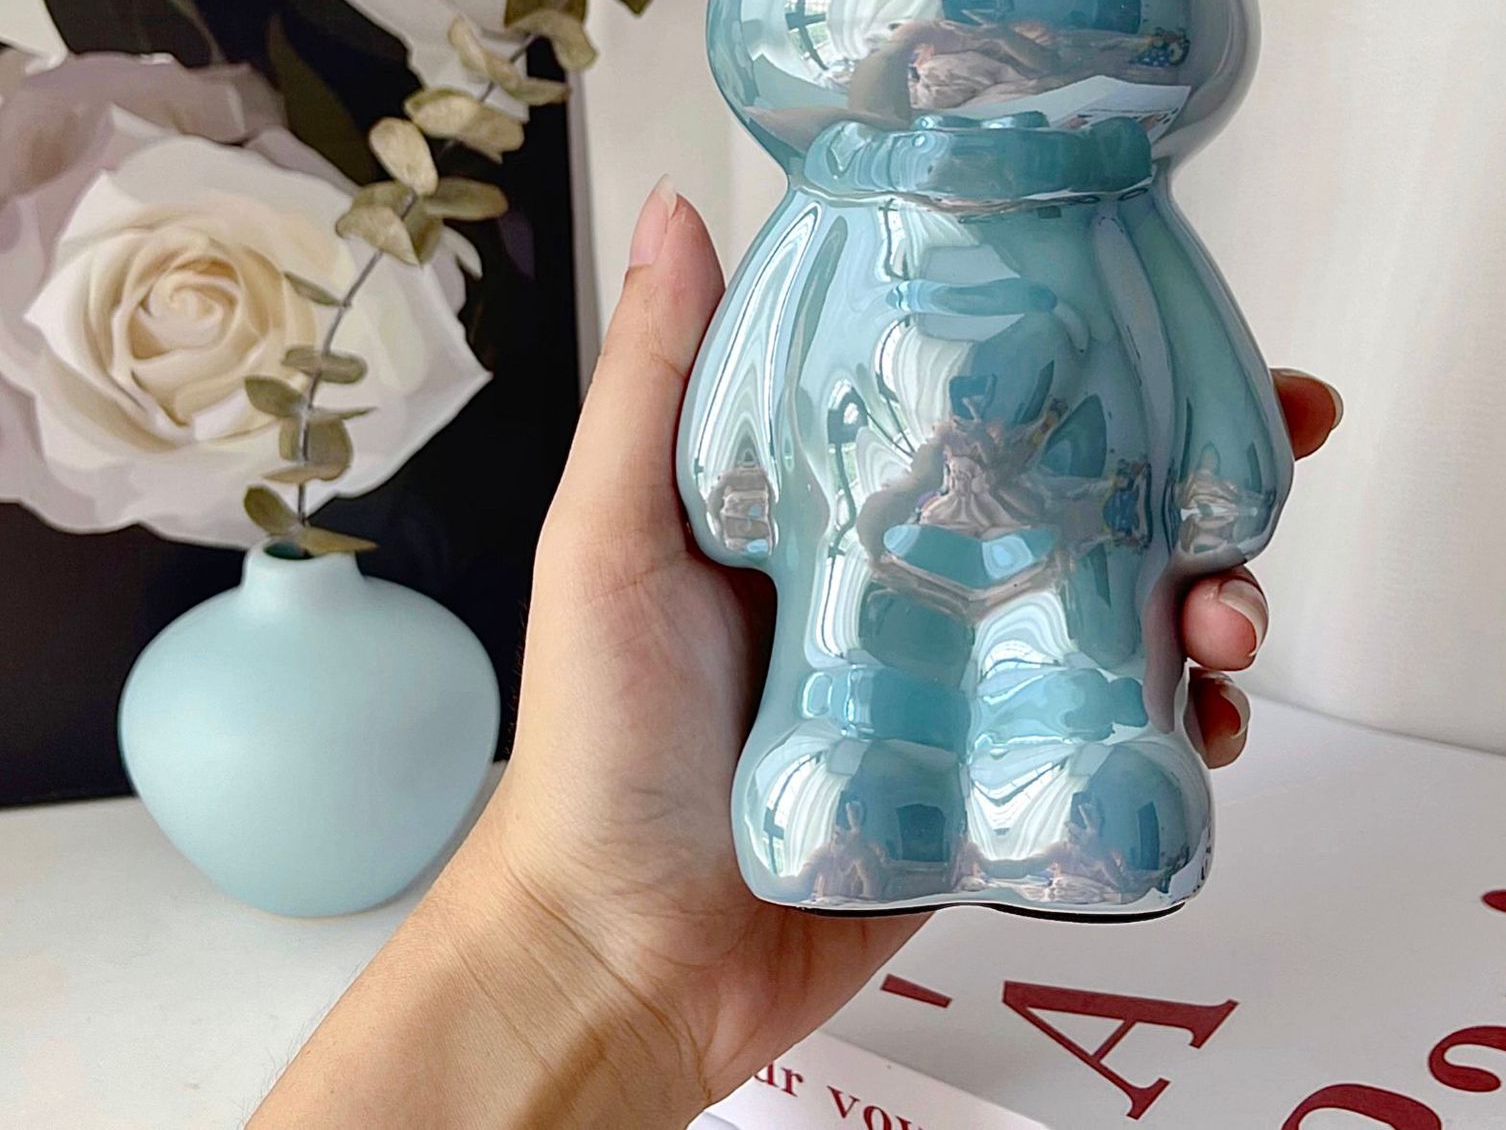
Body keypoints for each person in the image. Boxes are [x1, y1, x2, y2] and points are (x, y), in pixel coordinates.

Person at [253, 179, 1343, 1127]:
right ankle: (854, 771)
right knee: (856, 677)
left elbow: (1211, 378)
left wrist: (1223, 472)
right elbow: (748, 388)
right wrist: (733, 466)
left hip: (1083, 551)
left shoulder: (1128, 231)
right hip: (857, 565)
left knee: (1085, 661)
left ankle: (1082, 767)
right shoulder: (830, 230)